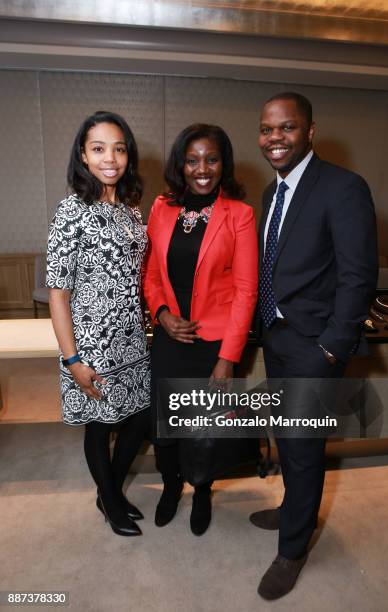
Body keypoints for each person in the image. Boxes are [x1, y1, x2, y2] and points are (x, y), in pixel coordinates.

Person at [250, 92, 378, 599]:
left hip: (314, 347)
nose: (274, 138)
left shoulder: (344, 187)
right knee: (286, 438)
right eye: (266, 129)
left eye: (286, 128)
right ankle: (292, 507)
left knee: (304, 450)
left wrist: (332, 347)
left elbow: (358, 274)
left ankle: (293, 548)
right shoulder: (269, 192)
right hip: (276, 337)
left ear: (310, 131)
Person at [143, 123, 258, 535]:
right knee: (166, 428)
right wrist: (161, 313)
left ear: (223, 163)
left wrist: (228, 359)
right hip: (171, 340)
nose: (202, 168)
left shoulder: (240, 215)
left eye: (211, 159)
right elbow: (151, 272)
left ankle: (203, 489)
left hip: (213, 344)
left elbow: (246, 292)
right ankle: (172, 487)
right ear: (181, 164)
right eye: (192, 160)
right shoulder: (162, 207)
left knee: (204, 430)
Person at [47, 111, 150, 537]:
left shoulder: (131, 209)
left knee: (141, 419)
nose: (111, 158)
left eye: (119, 148)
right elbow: (58, 292)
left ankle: (108, 488)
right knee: (102, 424)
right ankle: (110, 500)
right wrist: (72, 358)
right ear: (83, 157)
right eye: (99, 148)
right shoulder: (71, 210)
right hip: (93, 344)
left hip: (134, 340)